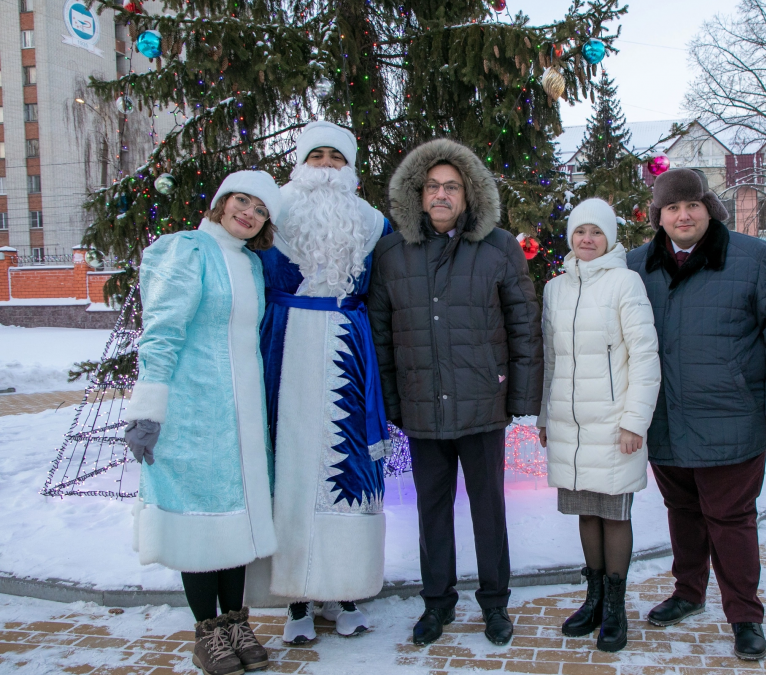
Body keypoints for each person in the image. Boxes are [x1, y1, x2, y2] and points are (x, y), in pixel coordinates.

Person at [368, 138, 543, 647]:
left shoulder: (499, 248)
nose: (441, 195)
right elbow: (381, 332)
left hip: (482, 405)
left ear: (468, 196)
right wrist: (392, 402)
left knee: (489, 510)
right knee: (431, 511)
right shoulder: (391, 253)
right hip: (422, 406)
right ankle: (437, 603)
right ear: (418, 195)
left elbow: (523, 323)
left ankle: (495, 604)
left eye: (452, 187)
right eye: (432, 187)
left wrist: (520, 400)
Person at [625, 168, 766, 661]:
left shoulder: (753, 258)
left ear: (710, 210)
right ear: (659, 216)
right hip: (664, 417)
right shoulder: (636, 265)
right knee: (682, 512)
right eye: (672, 208)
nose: (683, 216)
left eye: (693, 206)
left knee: (730, 519)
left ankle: (745, 615)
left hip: (733, 414)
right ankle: (688, 592)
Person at [125, 171, 282, 675]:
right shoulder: (186, 251)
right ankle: (207, 633)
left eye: (260, 209)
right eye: (242, 200)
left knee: (234, 518)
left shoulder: (251, 266)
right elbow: (161, 331)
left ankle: (237, 622)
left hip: (241, 417)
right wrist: (149, 406)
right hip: (193, 413)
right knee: (197, 521)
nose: (249, 213)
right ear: (220, 202)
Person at [255, 121, 393, 644]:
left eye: (337, 157)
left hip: (348, 351)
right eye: (318, 157)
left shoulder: (373, 222)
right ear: (300, 162)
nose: (327, 167)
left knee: (349, 464)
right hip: (285, 351)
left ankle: (348, 589)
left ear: (351, 166)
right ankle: (295, 602)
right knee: (288, 468)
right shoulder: (272, 212)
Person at [536, 198, 660, 652]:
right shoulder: (555, 289)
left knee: (613, 513)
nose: (587, 239)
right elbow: (551, 360)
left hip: (612, 426)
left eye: (597, 232)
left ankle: (615, 606)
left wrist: (634, 422)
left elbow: (646, 357)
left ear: (610, 238)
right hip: (571, 425)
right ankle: (593, 599)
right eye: (580, 231)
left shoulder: (626, 283)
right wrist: (546, 415)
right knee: (586, 511)